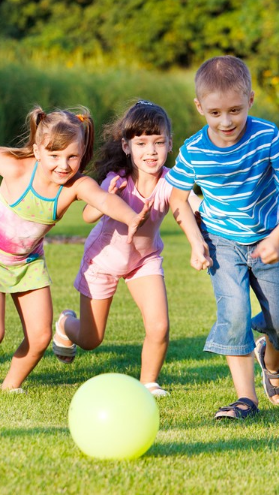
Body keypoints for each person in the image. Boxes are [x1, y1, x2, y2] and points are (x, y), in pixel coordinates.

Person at [0, 85, 151, 392]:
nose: (63, 165)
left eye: (72, 157)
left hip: (27, 262)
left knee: (40, 337)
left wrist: (132, 218)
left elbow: (104, 200)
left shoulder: (75, 186)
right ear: (38, 150)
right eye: (54, 155)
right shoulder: (15, 168)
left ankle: (9, 387)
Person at [167, 56, 279, 419]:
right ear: (200, 107)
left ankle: (272, 360)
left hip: (267, 241)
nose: (226, 121)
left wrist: (278, 237)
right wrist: (196, 241)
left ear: (250, 99)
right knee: (233, 314)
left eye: (235, 109)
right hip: (221, 243)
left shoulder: (266, 137)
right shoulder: (194, 150)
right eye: (215, 113)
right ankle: (246, 398)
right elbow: (177, 198)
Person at [52, 100, 201, 397]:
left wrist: (206, 227)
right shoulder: (116, 180)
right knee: (91, 339)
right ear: (126, 146)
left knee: (159, 326)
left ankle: (149, 383)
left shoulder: (171, 181)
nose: (151, 151)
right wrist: (105, 197)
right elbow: (88, 215)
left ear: (170, 144)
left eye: (159, 142)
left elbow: (190, 206)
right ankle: (66, 324)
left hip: (143, 261)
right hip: (102, 261)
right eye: (142, 143)